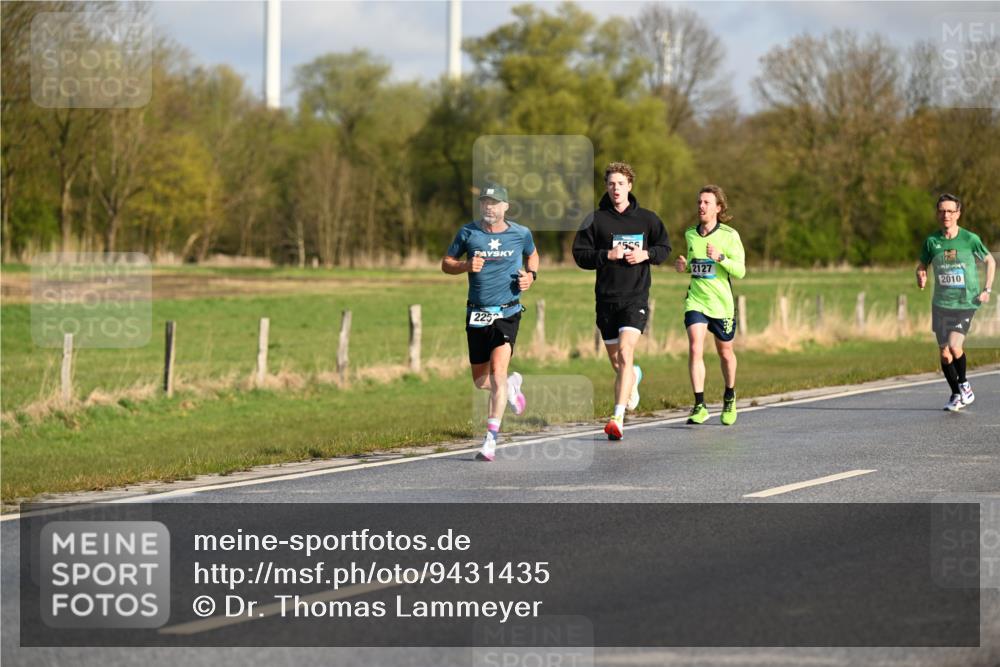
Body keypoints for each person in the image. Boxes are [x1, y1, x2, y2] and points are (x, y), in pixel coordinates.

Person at [573, 162, 671, 441]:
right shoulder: (594, 220)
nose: (616, 189)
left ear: (630, 186)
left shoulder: (648, 219)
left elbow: (664, 249)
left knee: (626, 353)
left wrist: (645, 255)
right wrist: (607, 255)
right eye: (611, 184)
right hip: (606, 299)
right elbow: (580, 255)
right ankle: (633, 378)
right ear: (606, 187)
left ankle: (617, 417)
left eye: (621, 183)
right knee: (619, 363)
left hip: (635, 297)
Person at [442, 184, 540, 460]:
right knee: (480, 380)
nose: (489, 207)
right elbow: (446, 262)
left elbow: (532, 254)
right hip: (477, 313)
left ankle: (490, 441)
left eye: (495, 203)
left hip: (507, 311)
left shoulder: (520, 233)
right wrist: (464, 266)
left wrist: (531, 276)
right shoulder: (468, 233)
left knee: (497, 372)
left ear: (505, 207)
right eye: (485, 202)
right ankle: (511, 385)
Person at [674, 185, 746, 425]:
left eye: (706, 202)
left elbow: (741, 271)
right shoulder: (690, 234)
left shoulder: (729, 235)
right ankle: (699, 405)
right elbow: (696, 267)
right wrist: (684, 267)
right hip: (696, 299)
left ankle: (729, 395)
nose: (701, 206)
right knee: (695, 347)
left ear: (718, 207)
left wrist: (721, 258)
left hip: (722, 303)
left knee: (725, 353)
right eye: (699, 202)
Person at [916, 193, 995, 411]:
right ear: (937, 214)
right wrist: (920, 276)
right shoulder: (932, 241)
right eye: (942, 211)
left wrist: (986, 289)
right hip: (941, 304)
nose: (946, 215)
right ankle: (955, 395)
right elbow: (922, 265)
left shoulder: (970, 239)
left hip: (965, 302)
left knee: (954, 345)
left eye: (950, 211)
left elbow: (990, 260)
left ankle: (964, 385)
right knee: (944, 353)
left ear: (958, 214)